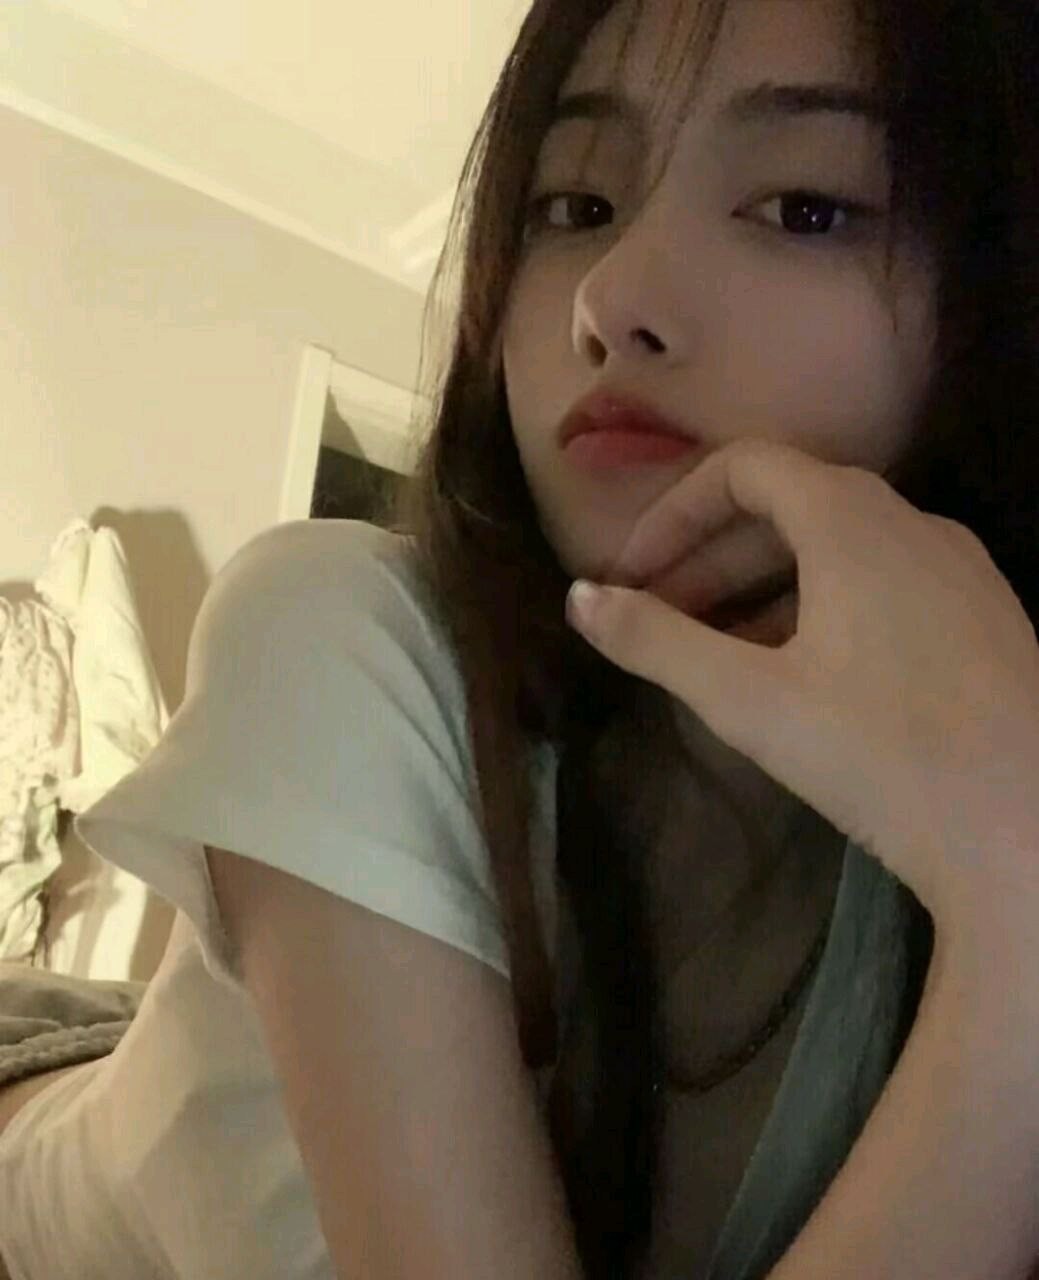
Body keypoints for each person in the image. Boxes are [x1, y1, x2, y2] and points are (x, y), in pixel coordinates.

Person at [0, 0, 1036, 1276]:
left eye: (803, 209)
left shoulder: (953, 829)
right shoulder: (334, 632)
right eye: (574, 205)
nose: (611, 297)